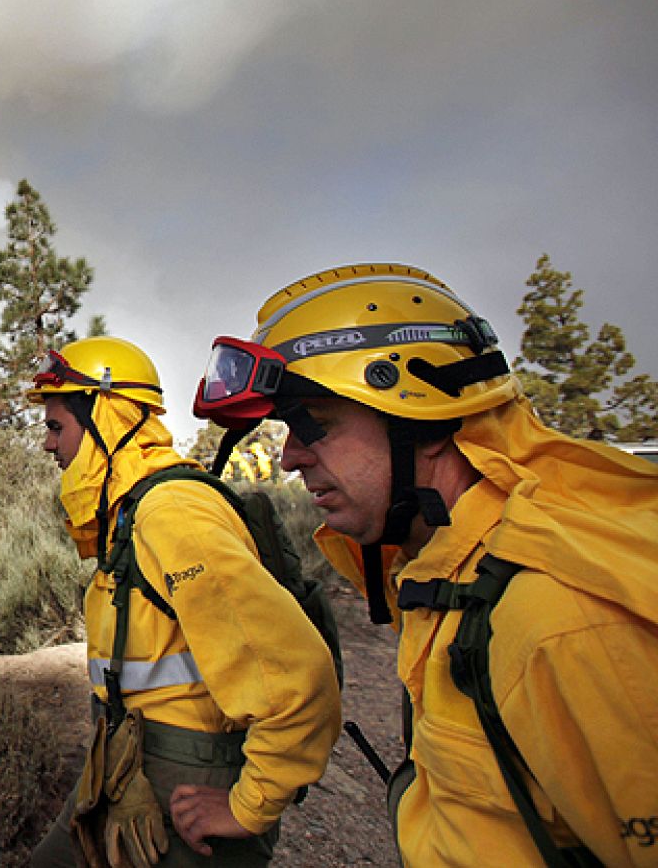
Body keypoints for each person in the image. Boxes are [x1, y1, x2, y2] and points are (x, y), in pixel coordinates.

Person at [196, 263, 658, 866]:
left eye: (319, 425)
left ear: (427, 424)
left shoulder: (561, 620)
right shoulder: (449, 574)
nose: (290, 458)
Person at [27, 336, 341, 868]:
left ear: (107, 418)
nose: (48, 444)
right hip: (125, 758)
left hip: (190, 779)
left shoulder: (171, 513)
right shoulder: (131, 513)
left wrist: (248, 806)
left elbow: (297, 675)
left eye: (57, 427)